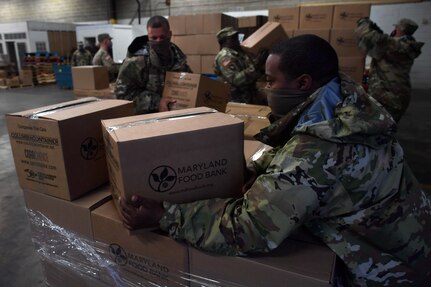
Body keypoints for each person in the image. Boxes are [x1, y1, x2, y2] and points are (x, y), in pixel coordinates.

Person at [119, 35, 431, 286]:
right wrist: (253, 168)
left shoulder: (317, 151)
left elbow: (251, 228)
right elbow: (290, 147)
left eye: (271, 81)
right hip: (410, 238)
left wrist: (165, 215)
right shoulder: (349, 100)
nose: (265, 88)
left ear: (303, 83)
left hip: (388, 269)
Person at [115, 15, 192, 114]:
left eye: (162, 37)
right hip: (146, 119)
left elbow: (190, 84)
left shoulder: (178, 59)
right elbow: (121, 94)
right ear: (148, 37)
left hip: (174, 114)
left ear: (170, 34)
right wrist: (156, 102)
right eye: (154, 38)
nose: (159, 41)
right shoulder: (137, 61)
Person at [355, 17, 424, 122]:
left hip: (389, 97)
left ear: (399, 29)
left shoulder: (399, 46)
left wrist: (363, 23)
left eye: (396, 27)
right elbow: (382, 42)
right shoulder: (404, 45)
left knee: (380, 127)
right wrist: (376, 29)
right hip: (393, 95)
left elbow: (370, 37)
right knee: (385, 127)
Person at [214, 27, 267, 104]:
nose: (236, 39)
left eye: (236, 37)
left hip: (250, 98)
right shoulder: (224, 57)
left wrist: (260, 67)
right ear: (224, 41)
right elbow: (235, 80)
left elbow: (252, 73)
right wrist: (256, 67)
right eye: (232, 38)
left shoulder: (241, 53)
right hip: (237, 101)